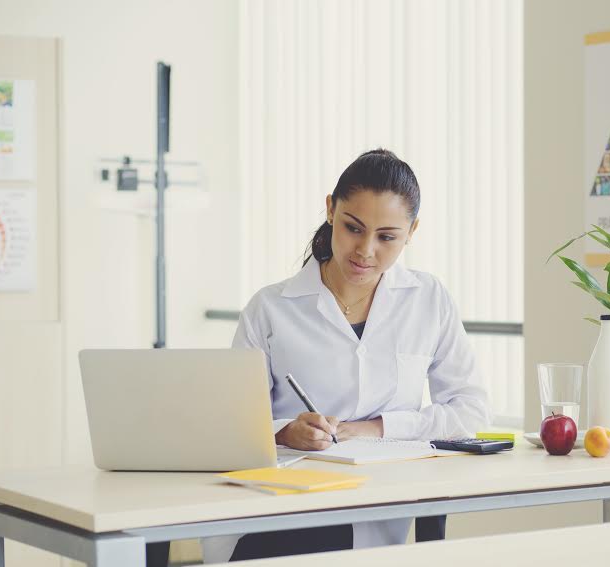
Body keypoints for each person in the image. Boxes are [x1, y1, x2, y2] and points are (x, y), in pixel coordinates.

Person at [202, 148, 489, 562]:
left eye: (386, 237)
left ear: (412, 231)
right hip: (282, 517)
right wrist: (284, 431)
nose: (365, 250)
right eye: (353, 228)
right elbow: (229, 425)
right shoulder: (271, 308)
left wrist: (375, 428)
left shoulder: (428, 299)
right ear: (330, 210)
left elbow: (470, 410)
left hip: (381, 514)